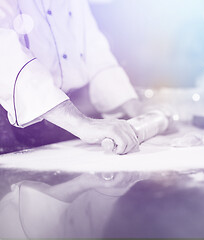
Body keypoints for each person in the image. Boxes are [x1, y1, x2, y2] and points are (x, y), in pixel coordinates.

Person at [0, 0, 144, 154]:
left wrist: (134, 107)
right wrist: (82, 124)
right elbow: (5, 55)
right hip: (12, 128)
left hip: (69, 122)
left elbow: (92, 47)